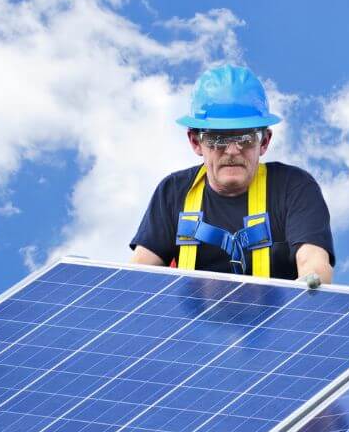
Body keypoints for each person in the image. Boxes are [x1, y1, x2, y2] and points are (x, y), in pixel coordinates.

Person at [131, 64, 334, 285]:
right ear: (195, 142)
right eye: (218, 139)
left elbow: (313, 261)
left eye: (245, 138)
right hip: (192, 317)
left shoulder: (294, 188)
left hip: (277, 318)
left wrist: (310, 288)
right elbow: (140, 274)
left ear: (264, 142)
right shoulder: (173, 192)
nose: (232, 150)